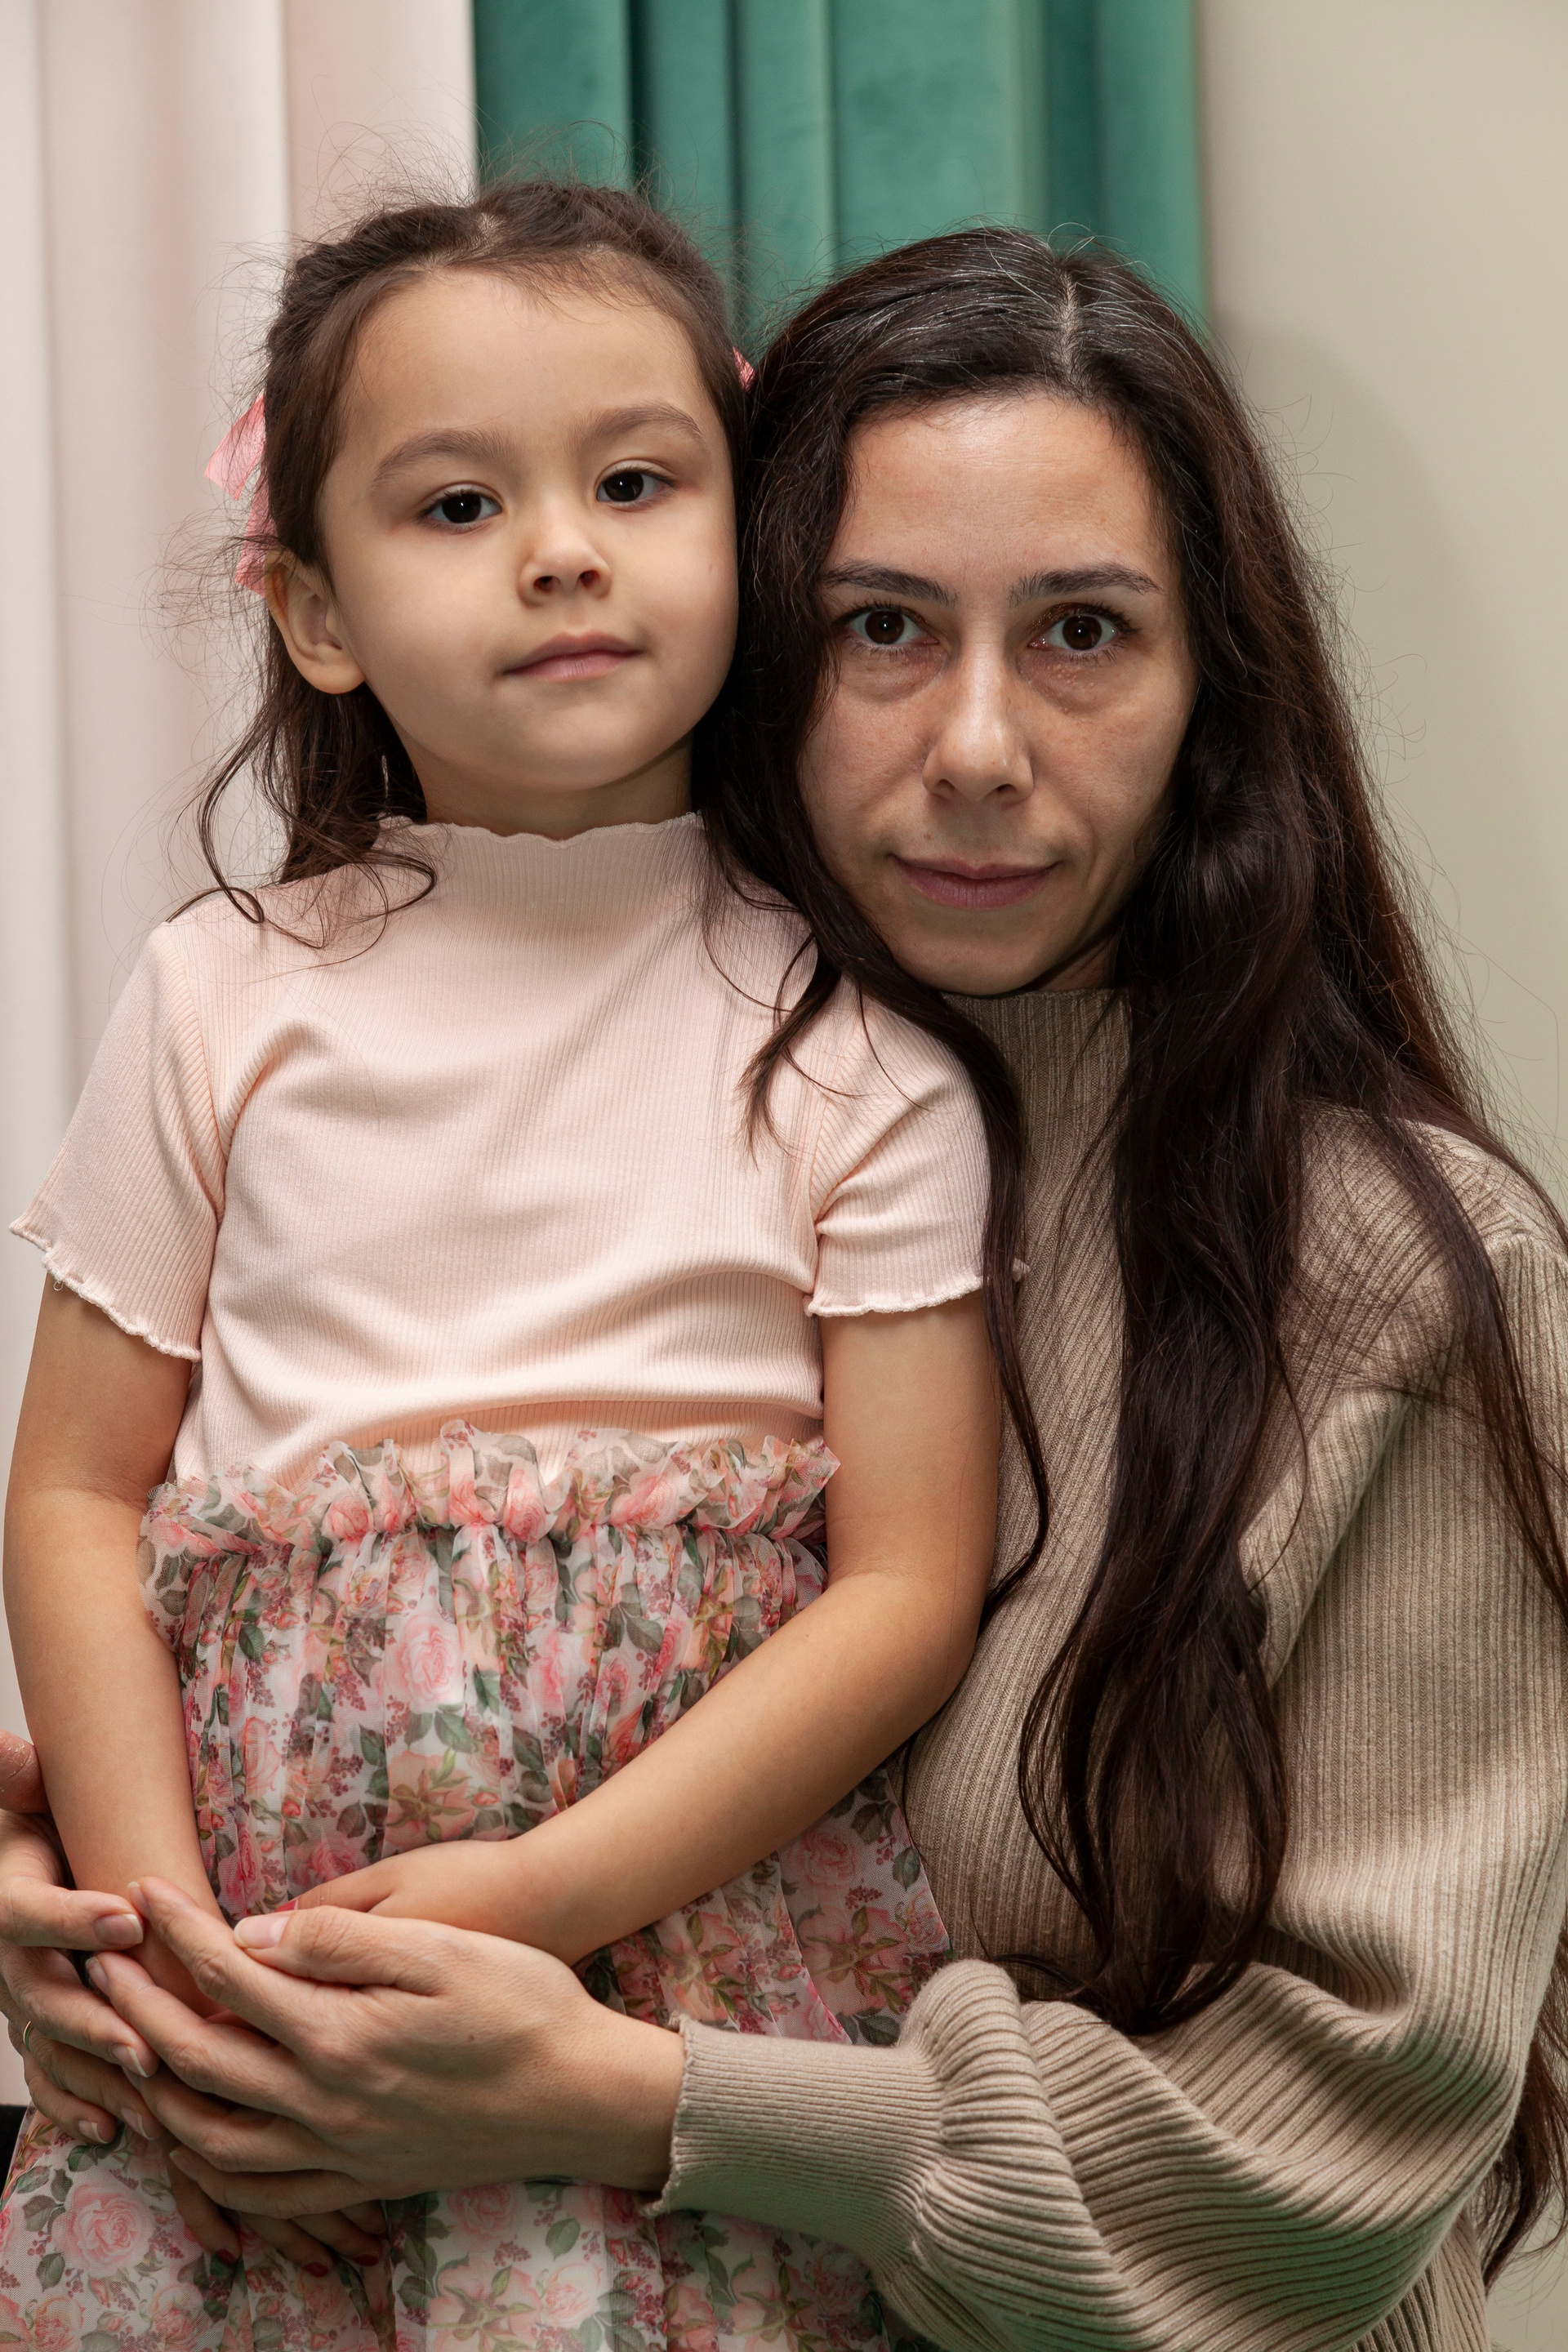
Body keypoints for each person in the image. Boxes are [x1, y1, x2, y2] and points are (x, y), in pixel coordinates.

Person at [4, 227, 1567, 2352]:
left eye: (1086, 631)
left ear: (1216, 682)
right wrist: (124, 1933)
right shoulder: (332, 1021)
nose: (981, 746)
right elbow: (158, 1536)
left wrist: (635, 2096)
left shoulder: (1386, 1270)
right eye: (882, 627)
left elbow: (1329, 2166)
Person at [0, 185, 1016, 2350]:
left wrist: (546, 1899)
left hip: (676, 1944)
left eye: (636, 483)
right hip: (267, 1935)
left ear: (752, 538)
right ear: (316, 612)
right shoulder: (218, 996)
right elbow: (77, 1489)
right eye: (458, 503)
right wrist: (167, 1950)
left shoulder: (858, 1049)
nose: (561, 549)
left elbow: (910, 1588)